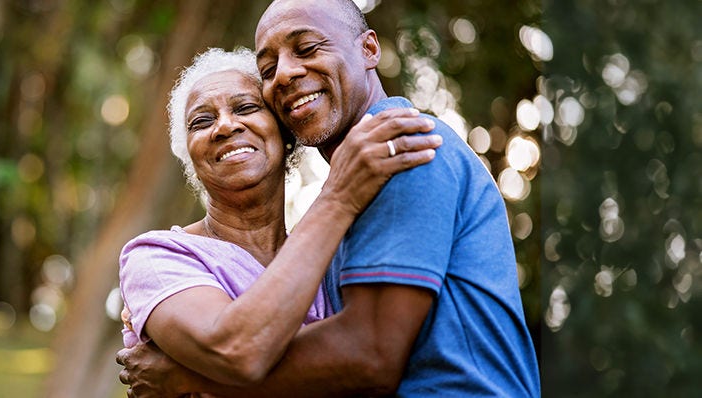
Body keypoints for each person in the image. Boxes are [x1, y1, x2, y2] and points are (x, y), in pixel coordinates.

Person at [117, 0, 541, 396]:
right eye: (268, 70)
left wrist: (186, 375)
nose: (284, 74)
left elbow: (368, 355)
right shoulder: (329, 222)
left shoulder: (398, 146)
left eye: (306, 47)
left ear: (370, 48)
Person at [115, 45, 440, 396]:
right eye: (202, 121)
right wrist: (339, 194)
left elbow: (369, 360)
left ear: (285, 135)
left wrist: (188, 376)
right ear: (189, 157)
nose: (225, 126)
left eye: (246, 108)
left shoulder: (334, 256)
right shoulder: (158, 258)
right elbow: (236, 349)